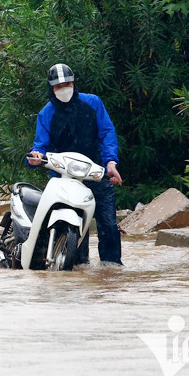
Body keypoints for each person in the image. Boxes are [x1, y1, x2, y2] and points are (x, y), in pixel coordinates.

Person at [27, 63, 123, 266]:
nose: (64, 89)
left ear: (74, 83)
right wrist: (36, 156)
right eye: (58, 86)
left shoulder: (93, 103)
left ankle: (112, 270)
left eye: (67, 84)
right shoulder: (46, 114)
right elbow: (40, 145)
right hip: (64, 179)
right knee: (74, 228)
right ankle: (77, 267)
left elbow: (107, 133)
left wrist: (110, 162)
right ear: (51, 88)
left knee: (109, 225)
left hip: (96, 173)